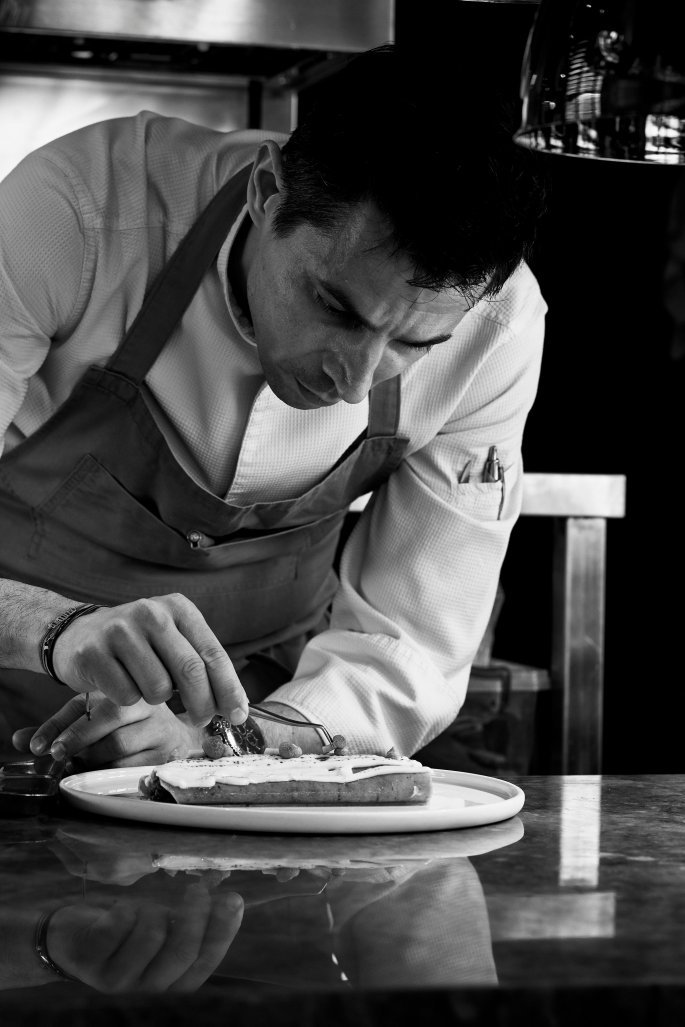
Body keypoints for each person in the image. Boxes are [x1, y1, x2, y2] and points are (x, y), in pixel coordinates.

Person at [0, 44, 547, 768]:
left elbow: (409, 644)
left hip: (256, 742)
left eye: (413, 344)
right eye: (335, 306)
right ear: (267, 192)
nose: (355, 384)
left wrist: (224, 746)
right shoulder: (76, 211)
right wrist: (54, 627)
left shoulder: (495, 333)